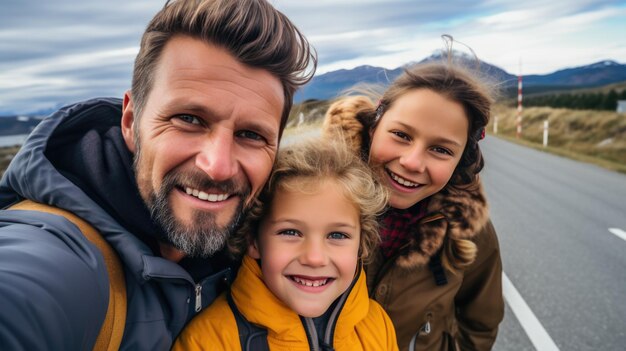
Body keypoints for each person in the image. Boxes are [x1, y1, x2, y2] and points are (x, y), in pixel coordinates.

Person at [0, 0, 315, 350]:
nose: (219, 166)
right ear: (131, 123)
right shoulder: (60, 265)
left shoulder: (261, 245)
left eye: (252, 135)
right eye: (189, 119)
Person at [322, 62, 504, 350]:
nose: (412, 162)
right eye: (402, 135)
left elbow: (479, 325)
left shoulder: (466, 230)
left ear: (461, 161)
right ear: (374, 127)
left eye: (441, 150)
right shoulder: (311, 199)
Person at [173, 140, 398, 350]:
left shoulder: (378, 324)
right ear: (253, 240)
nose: (315, 258)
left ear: (361, 245)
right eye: (290, 232)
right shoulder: (209, 339)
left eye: (337, 235)